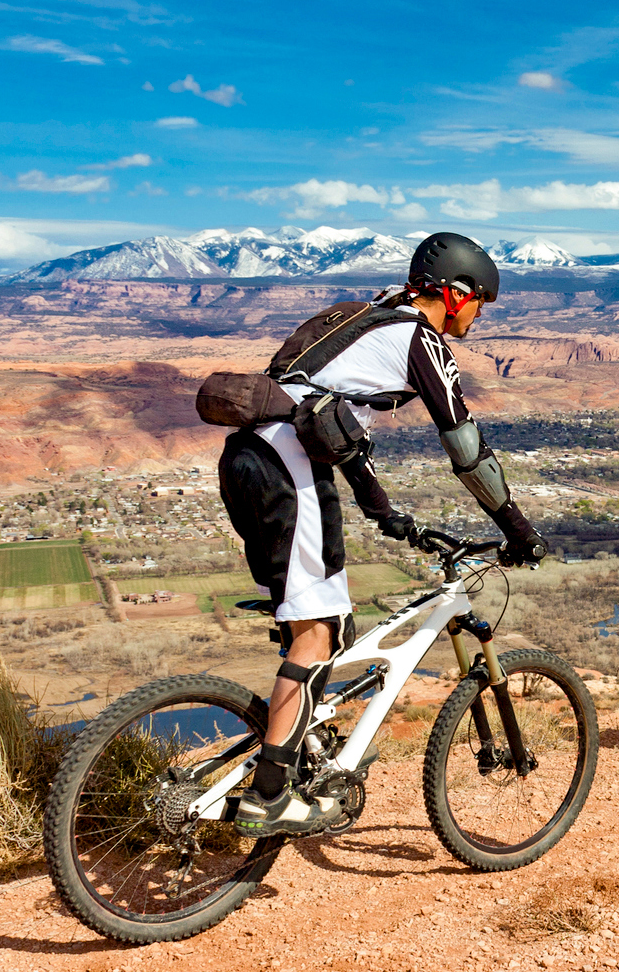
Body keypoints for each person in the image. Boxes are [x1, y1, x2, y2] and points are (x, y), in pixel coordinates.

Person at [216, 231, 547, 836]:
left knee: (321, 626)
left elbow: (329, 422)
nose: (478, 316)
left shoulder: (366, 317)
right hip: (287, 467)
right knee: (317, 633)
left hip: (245, 458)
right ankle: (270, 796)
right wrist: (518, 529)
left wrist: (387, 515)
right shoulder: (420, 338)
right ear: (453, 294)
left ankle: (300, 753)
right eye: (479, 303)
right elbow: (467, 451)